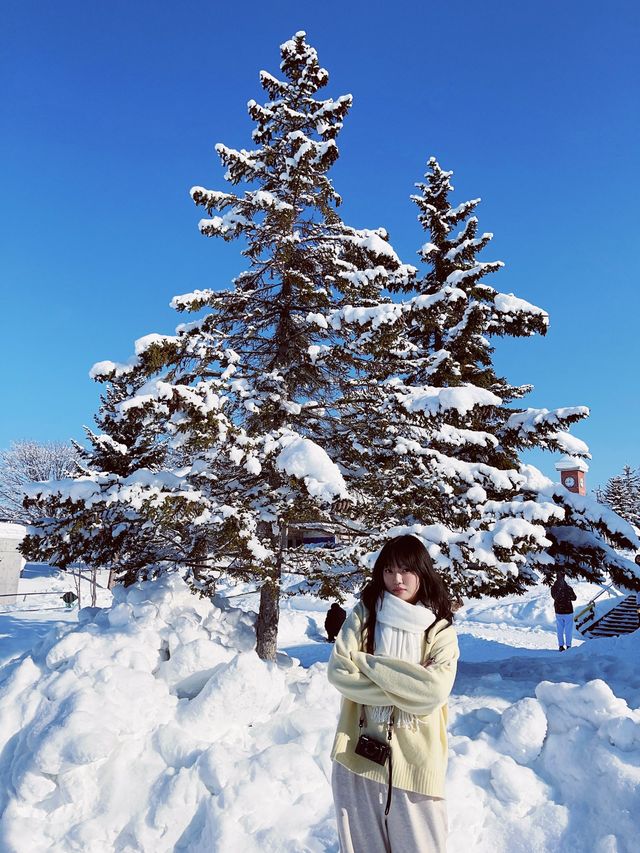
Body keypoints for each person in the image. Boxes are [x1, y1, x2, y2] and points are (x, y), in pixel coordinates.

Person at [327, 534, 459, 853]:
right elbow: (339, 673)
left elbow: (432, 691)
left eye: (405, 570)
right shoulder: (364, 616)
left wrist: (366, 662)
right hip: (357, 758)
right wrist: (406, 683)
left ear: (422, 572)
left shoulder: (439, 630)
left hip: (415, 765)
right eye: (388, 570)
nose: (396, 579)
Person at [550, 570, 577, 650]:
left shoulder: (554, 588)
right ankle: (568, 646)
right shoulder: (568, 588)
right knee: (568, 630)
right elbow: (574, 598)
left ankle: (561, 646)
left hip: (558, 611)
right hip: (568, 611)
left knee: (560, 630)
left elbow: (554, 597)